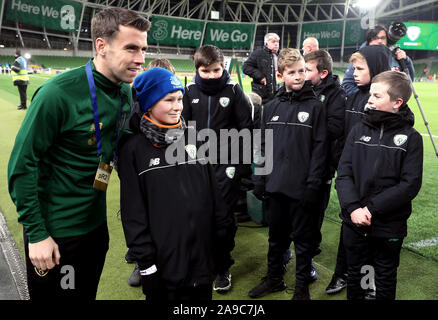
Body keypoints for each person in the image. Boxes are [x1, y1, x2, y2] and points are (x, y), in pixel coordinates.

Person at [7, 7, 150, 300]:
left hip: (95, 229)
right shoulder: (57, 94)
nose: (141, 58)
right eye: (131, 48)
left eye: (144, 48)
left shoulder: (124, 92)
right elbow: (22, 165)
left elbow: (117, 139)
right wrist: (36, 234)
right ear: (101, 46)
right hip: (57, 234)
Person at [118, 67, 234, 301]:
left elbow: (215, 199)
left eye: (180, 99)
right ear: (149, 104)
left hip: (202, 265)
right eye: (169, 99)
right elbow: (134, 215)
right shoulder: (133, 150)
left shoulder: (196, 138)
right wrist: (147, 267)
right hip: (164, 270)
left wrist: (222, 248)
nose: (177, 106)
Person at [336, 70, 423, 300]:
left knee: (383, 278)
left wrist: (371, 209)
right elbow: (343, 173)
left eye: (376, 96)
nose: (369, 100)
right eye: (370, 95)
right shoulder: (358, 130)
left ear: (397, 103)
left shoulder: (411, 138)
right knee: (357, 275)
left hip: (388, 225)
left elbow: (409, 185)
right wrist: (353, 208)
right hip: (354, 222)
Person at [249, 48, 327, 300]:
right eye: (292, 72)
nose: (299, 76)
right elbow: (263, 145)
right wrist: (260, 179)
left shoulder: (316, 107)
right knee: (276, 239)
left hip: (302, 189)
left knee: (303, 243)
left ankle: (301, 289)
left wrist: (313, 184)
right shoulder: (270, 107)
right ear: (280, 75)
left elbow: (320, 149)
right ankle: (274, 280)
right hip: (275, 186)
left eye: (302, 70)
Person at [182, 45, 253, 293]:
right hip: (197, 166)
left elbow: (246, 130)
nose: (211, 75)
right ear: (197, 69)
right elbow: (183, 130)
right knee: (198, 217)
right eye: (206, 70)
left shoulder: (233, 91)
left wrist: (240, 168)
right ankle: (203, 264)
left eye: (216, 70)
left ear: (223, 67)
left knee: (223, 220)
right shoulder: (188, 91)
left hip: (226, 167)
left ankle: (223, 267)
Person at [325, 44, 391, 297]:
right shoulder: (352, 97)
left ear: (376, 70)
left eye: (360, 68)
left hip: (373, 183)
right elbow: (342, 138)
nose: (354, 72)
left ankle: (367, 282)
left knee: (370, 236)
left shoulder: (383, 104)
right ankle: (343, 273)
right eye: (353, 67)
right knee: (349, 229)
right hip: (350, 179)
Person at [125, 58, 177, 287]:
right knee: (140, 213)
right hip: (143, 165)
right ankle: (141, 259)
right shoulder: (137, 104)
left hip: (170, 164)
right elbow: (126, 132)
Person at [304, 49, 345, 282]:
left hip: (322, 165)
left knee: (314, 213)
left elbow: (335, 128)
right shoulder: (303, 89)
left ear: (323, 73)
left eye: (308, 70)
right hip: (300, 162)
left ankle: (308, 258)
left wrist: (305, 131)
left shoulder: (336, 95)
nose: (303, 74)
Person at [342, 25, 415, 96]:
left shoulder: (395, 58)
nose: (379, 41)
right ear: (369, 41)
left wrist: (406, 60)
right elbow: (347, 85)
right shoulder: (359, 58)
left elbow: (408, 82)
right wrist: (370, 98)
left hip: (391, 105)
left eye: (383, 38)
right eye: (375, 38)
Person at [242, 33, 280, 104]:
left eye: (277, 42)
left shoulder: (280, 56)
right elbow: (246, 67)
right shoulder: (258, 54)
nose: (276, 44)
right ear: (266, 43)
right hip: (261, 94)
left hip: (276, 95)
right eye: (273, 42)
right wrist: (260, 77)